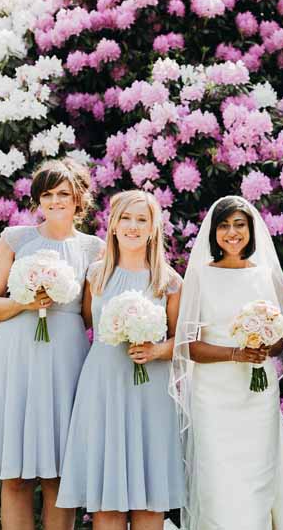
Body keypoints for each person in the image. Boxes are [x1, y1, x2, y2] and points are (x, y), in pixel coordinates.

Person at [0, 158, 104, 530]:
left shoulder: (95, 249)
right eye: (47, 194)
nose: (56, 201)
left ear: (79, 199)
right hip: (15, 358)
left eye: (64, 194)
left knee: (60, 471)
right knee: (16, 475)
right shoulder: (15, 238)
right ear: (38, 200)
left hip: (67, 362)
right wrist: (23, 303)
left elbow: (91, 315)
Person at [171, 195, 283, 530]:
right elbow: (188, 346)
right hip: (213, 393)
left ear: (250, 230)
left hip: (257, 391)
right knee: (218, 474)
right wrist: (235, 353)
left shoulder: (264, 275)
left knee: (257, 472)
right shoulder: (201, 277)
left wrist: (264, 343)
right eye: (224, 225)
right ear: (214, 233)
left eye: (239, 225)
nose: (232, 233)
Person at [56, 190, 184, 529]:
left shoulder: (169, 282)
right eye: (126, 218)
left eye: (142, 219)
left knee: (149, 502)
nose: (133, 226)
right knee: (107, 503)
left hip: (151, 394)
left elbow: (184, 342)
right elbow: (85, 323)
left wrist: (157, 350)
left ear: (154, 228)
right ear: (112, 225)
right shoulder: (95, 275)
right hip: (103, 389)